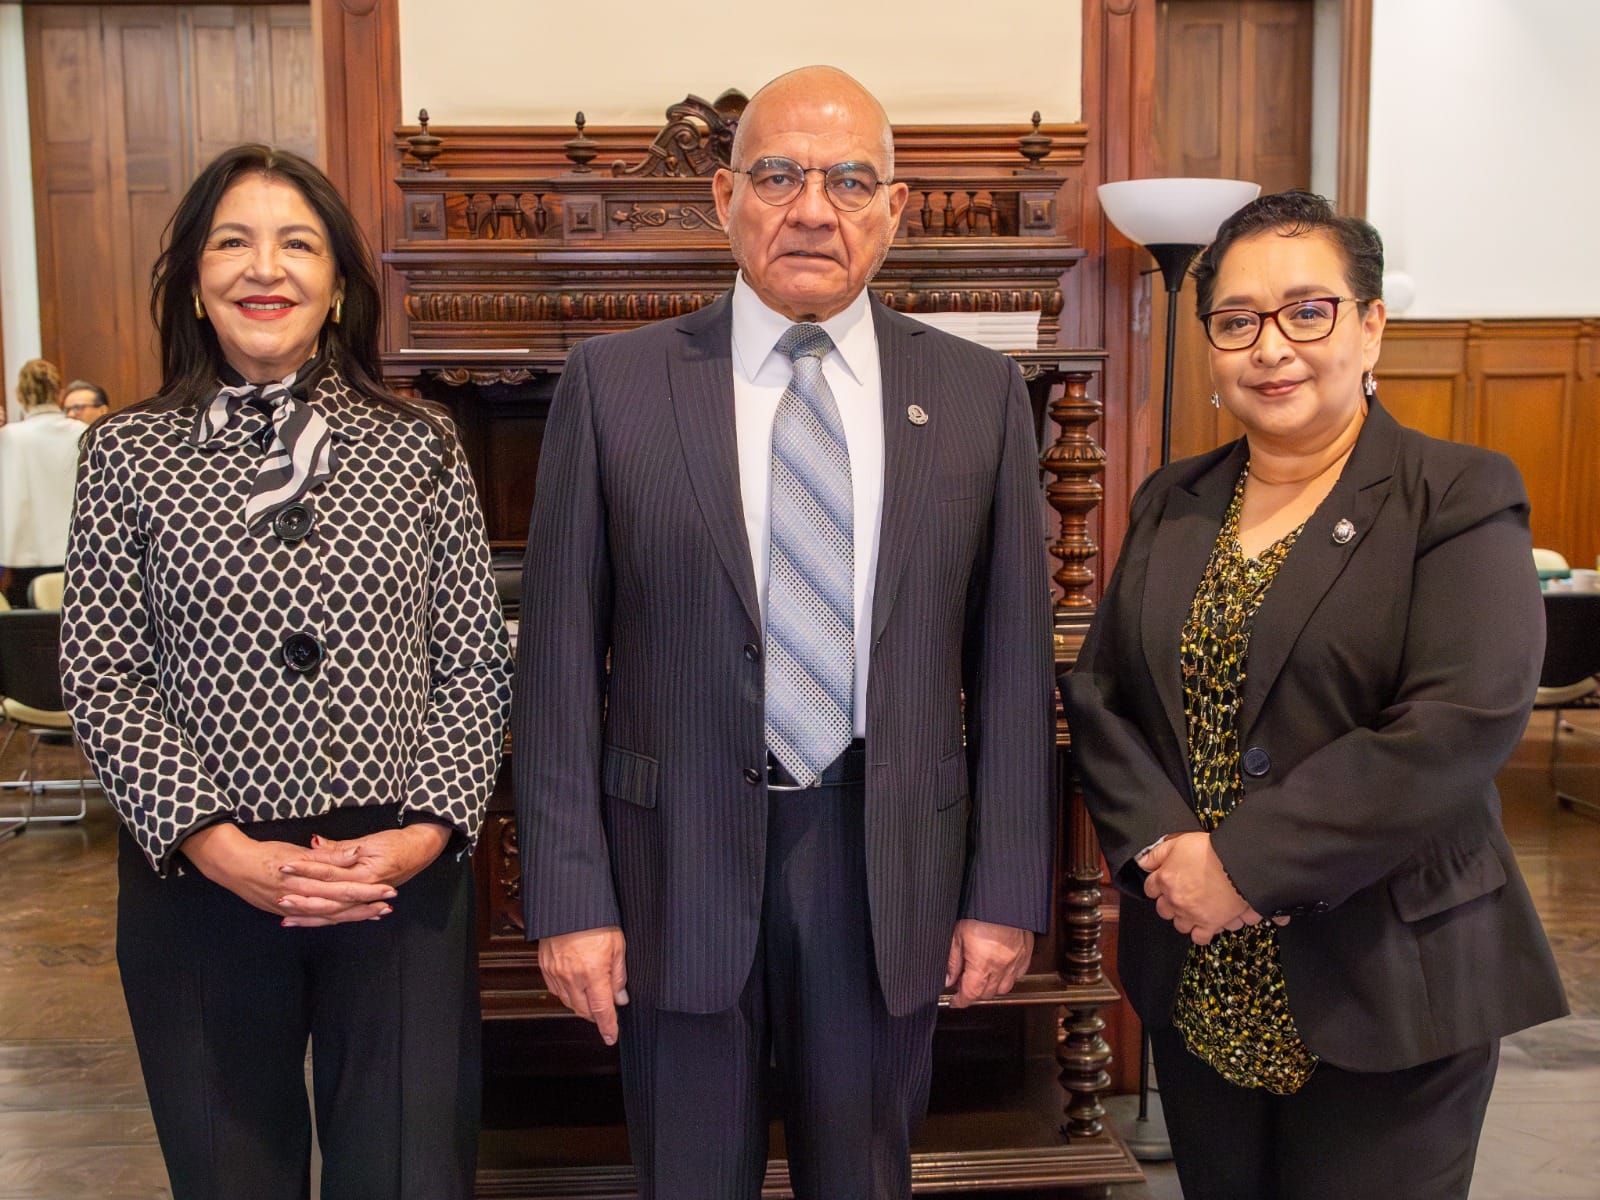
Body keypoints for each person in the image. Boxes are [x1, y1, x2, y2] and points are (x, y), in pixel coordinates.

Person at [515, 65, 1055, 1200]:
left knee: (862, 1176)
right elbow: (558, 666)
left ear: (894, 210)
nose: (815, 207)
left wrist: (1005, 887)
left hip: (887, 863)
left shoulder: (974, 394)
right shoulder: (615, 387)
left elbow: (1010, 668)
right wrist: (570, 900)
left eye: (852, 179)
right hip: (672, 867)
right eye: (779, 175)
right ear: (723, 198)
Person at [1061, 190, 1567, 1199]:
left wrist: (1242, 866)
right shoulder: (1176, 497)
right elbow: (1103, 693)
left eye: (1307, 310)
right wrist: (1166, 851)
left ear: (1370, 323)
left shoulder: (1455, 491)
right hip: (1201, 967)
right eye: (1236, 321)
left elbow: (1456, 723)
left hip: (1388, 973)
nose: (1270, 347)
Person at [60, 144, 513, 1200]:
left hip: (395, 878)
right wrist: (219, 847)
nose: (265, 268)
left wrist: (421, 835)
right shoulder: (125, 452)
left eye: (296, 243)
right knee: (230, 1176)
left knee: (407, 1173)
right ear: (194, 281)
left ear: (340, 283)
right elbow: (103, 672)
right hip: (198, 879)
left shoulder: (422, 444)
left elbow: (474, 667)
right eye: (234, 242)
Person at [0, 357, 80, 606]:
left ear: (20, 395)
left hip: (24, 556)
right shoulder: (83, 432)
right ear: (60, 393)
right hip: (77, 550)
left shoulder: (9, 438)